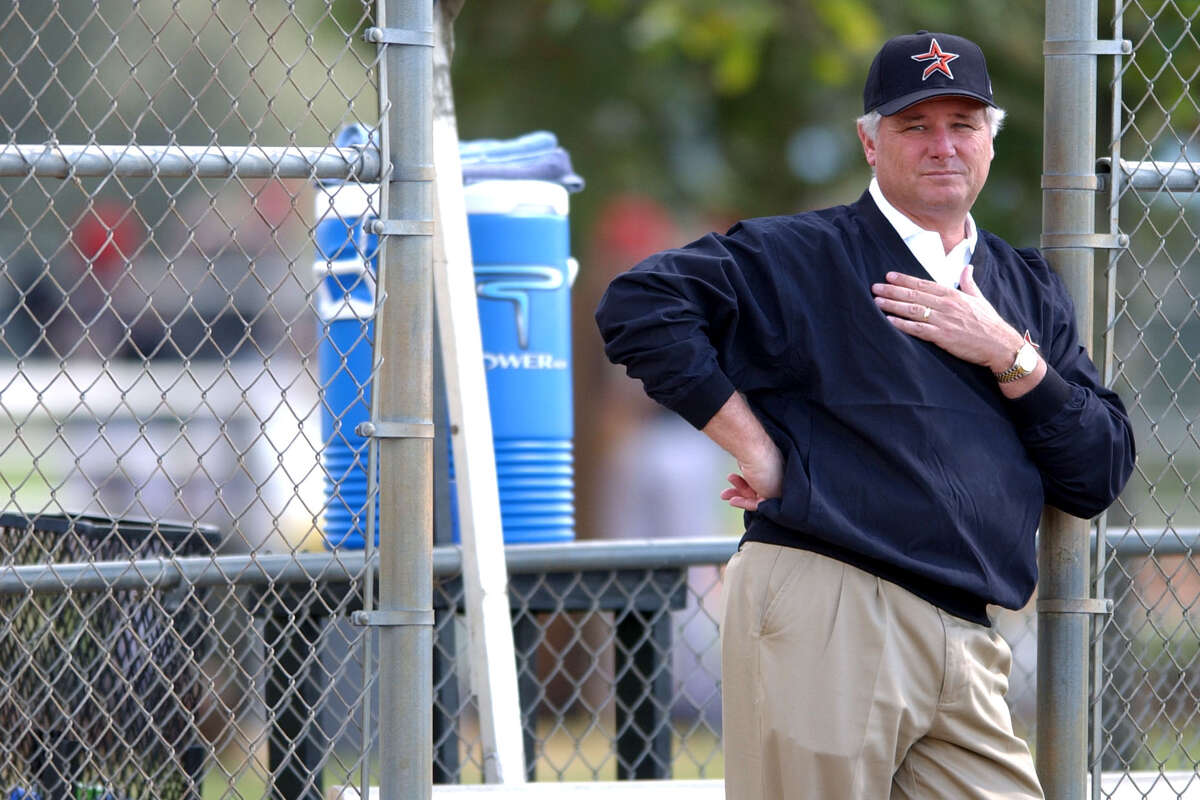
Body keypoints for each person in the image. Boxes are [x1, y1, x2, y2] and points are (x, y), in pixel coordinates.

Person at [594, 30, 1135, 800]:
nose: (943, 146)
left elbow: (1097, 470)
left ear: (990, 138)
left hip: (969, 631)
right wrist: (754, 448)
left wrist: (1007, 353)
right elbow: (640, 305)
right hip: (832, 602)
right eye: (916, 126)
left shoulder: (1026, 288)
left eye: (963, 124)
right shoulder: (802, 254)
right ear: (869, 142)